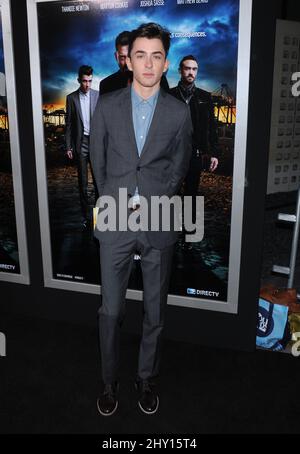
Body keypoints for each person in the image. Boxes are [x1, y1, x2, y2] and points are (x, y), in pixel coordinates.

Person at [90, 23, 193, 416]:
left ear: (165, 63)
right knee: (110, 311)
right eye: (140, 55)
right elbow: (97, 161)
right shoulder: (107, 105)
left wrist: (159, 196)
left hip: (158, 219)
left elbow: (180, 162)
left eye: (155, 56)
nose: (147, 63)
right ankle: (109, 380)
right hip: (115, 219)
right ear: (127, 60)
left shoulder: (179, 112)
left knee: (155, 311)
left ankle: (145, 378)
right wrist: (110, 198)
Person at [170, 55, 218, 246]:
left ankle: (190, 237)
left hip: (195, 153)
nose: (191, 72)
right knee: (171, 193)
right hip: (172, 154)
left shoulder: (205, 97)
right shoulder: (169, 95)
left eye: (194, 69)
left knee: (192, 193)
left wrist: (214, 153)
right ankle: (170, 234)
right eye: (187, 68)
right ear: (180, 70)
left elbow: (212, 127)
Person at [65, 65, 99, 227]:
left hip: (96, 143)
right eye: (84, 81)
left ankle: (99, 218)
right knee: (83, 184)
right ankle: (86, 218)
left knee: (99, 183)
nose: (87, 85)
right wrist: (68, 147)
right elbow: (69, 125)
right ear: (79, 80)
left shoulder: (98, 96)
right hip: (81, 144)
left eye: (90, 81)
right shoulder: (71, 98)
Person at [99, 30, 169, 95]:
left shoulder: (160, 81)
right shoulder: (106, 85)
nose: (127, 62)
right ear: (116, 57)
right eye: (123, 57)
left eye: (130, 56)